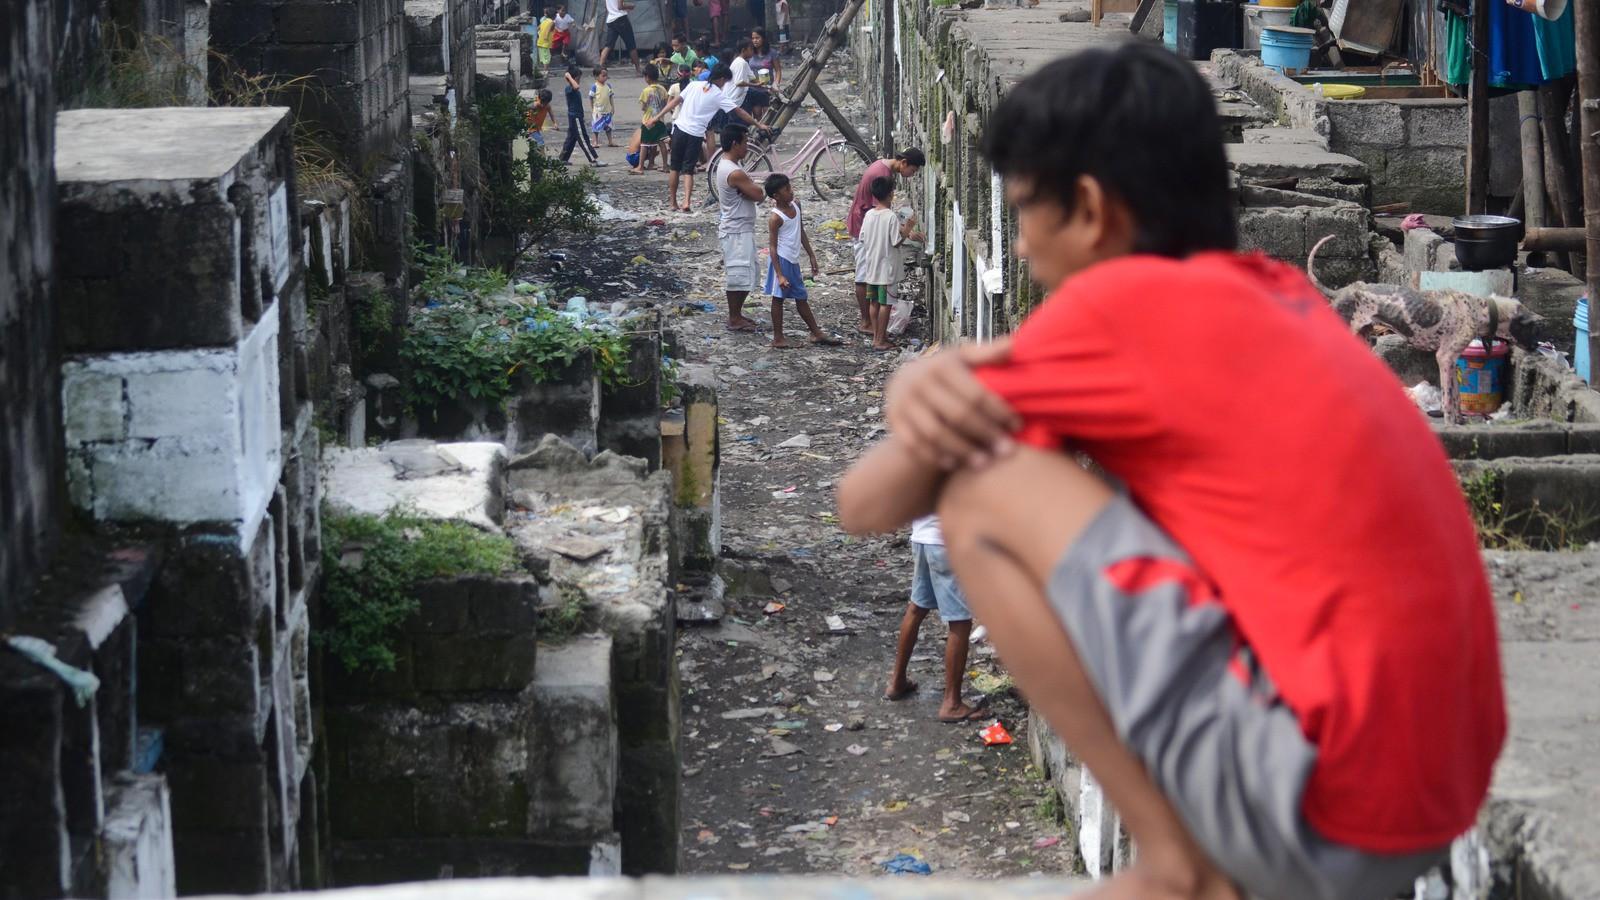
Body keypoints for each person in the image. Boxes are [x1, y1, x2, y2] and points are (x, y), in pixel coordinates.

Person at [835, 41, 1504, 900]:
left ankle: (1174, 861)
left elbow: (867, 501)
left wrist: (921, 387)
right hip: (1428, 808)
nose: (1027, 247)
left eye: (1025, 211)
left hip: (1319, 812)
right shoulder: (1272, 295)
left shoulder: (1121, 310)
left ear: (1087, 208)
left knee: (979, 488)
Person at [885, 515, 988, 722]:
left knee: (917, 608)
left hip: (921, 538)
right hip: (945, 543)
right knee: (960, 622)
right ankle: (952, 704)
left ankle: (897, 682)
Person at [646, 63, 771, 212]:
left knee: (675, 168)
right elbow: (739, 112)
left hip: (679, 129)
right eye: (725, 82)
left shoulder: (694, 85)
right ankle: (686, 202)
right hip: (695, 134)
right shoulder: (718, 94)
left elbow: (675, 101)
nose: (725, 85)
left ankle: (673, 203)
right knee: (688, 170)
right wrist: (758, 124)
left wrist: (656, 117)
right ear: (722, 79)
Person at [847, 148, 924, 334]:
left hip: (863, 225)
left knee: (868, 276)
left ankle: (870, 323)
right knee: (863, 276)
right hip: (862, 225)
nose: (911, 176)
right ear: (903, 162)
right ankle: (866, 323)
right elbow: (882, 214)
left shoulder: (882, 166)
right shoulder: (881, 174)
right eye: (912, 171)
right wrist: (906, 231)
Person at [761, 173, 838, 348]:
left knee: (801, 296)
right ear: (776, 196)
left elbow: (800, 231)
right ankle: (778, 338)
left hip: (793, 261)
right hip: (781, 261)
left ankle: (815, 332)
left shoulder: (796, 206)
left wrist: (811, 255)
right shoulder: (775, 218)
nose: (791, 191)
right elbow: (772, 247)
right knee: (778, 298)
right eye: (787, 189)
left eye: (790, 187)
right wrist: (779, 274)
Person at [712, 126, 767, 332]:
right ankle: (734, 317)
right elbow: (758, 194)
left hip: (740, 227)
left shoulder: (731, 166)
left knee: (747, 273)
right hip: (735, 230)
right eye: (744, 142)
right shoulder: (733, 171)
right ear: (735, 143)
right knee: (738, 275)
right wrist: (752, 189)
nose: (747, 146)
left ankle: (737, 314)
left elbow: (752, 192)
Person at [855, 176, 913, 351]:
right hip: (886, 270)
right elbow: (896, 241)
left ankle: (877, 336)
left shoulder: (870, 215)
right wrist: (907, 229)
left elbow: (863, 238)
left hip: (871, 266)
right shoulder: (890, 217)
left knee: (874, 302)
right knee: (886, 304)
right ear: (890, 195)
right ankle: (879, 340)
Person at [559, 64, 601, 166]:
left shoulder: (573, 89)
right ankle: (593, 159)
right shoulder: (569, 88)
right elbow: (576, 86)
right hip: (575, 117)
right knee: (583, 138)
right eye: (578, 78)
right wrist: (568, 76)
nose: (579, 80)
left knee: (571, 139)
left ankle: (563, 159)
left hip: (577, 116)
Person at [633, 68, 671, 172]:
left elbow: (643, 107)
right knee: (661, 143)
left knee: (645, 144)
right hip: (659, 119)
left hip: (648, 120)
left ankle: (640, 167)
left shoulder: (646, 91)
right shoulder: (662, 89)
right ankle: (664, 165)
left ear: (647, 77)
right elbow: (666, 103)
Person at [745, 29, 780, 119]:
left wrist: (775, 84)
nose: (755, 40)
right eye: (753, 38)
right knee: (757, 116)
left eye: (757, 38)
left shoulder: (772, 53)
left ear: (763, 38)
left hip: (767, 90)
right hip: (753, 89)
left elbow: (778, 70)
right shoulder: (750, 52)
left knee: (768, 116)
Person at [598, 0, 641, 72]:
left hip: (611, 20)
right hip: (621, 19)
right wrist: (630, 6)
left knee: (608, 46)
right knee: (631, 45)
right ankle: (638, 70)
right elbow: (620, 6)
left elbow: (607, 7)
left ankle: (599, 70)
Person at [589, 66, 616, 147]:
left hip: (607, 110)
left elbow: (611, 97)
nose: (605, 78)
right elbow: (590, 98)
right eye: (603, 76)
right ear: (596, 77)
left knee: (608, 127)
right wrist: (592, 109)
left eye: (606, 76)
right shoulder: (595, 86)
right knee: (596, 127)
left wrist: (613, 107)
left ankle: (610, 141)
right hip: (598, 111)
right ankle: (595, 142)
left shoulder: (608, 86)